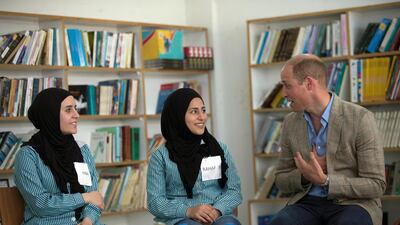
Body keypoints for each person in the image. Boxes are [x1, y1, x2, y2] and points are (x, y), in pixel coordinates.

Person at [268, 54, 386, 225]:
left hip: (352, 203)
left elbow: (376, 185)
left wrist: (325, 181)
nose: (284, 94)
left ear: (308, 83)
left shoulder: (360, 118)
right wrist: (305, 175)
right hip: (306, 203)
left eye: (287, 86)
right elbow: (281, 179)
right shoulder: (290, 123)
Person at [147, 88, 242, 225]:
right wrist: (188, 211)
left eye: (203, 110)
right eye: (194, 112)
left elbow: (234, 190)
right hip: (182, 219)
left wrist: (216, 211)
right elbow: (155, 202)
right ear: (178, 116)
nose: (202, 117)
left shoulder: (219, 149)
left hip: (217, 216)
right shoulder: (160, 157)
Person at [14, 88, 104, 225]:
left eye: (75, 108)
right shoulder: (28, 156)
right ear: (51, 115)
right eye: (68, 110)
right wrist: (84, 197)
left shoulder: (82, 150)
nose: (76, 115)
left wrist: (87, 221)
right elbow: (41, 205)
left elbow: (95, 197)